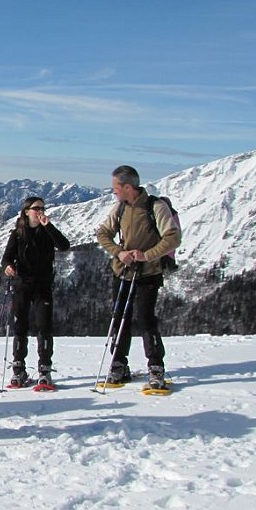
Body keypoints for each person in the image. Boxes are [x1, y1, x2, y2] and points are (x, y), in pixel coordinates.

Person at [96, 165, 181, 390]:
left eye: (116, 187)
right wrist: (119, 252)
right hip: (122, 271)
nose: (113, 191)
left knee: (145, 319)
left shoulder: (156, 207)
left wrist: (146, 256)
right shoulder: (120, 208)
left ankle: (155, 366)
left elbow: (172, 238)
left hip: (149, 273)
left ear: (127, 187)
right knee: (120, 318)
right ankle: (119, 364)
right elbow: (103, 233)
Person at [0, 196, 70, 387]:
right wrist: (8, 266)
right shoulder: (17, 234)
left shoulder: (48, 231)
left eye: (42, 208)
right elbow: (7, 257)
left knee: (44, 326)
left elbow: (64, 245)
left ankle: (45, 369)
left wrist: (49, 226)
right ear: (26, 211)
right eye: (36, 208)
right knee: (20, 327)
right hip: (22, 285)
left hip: (43, 285)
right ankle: (18, 369)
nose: (40, 211)